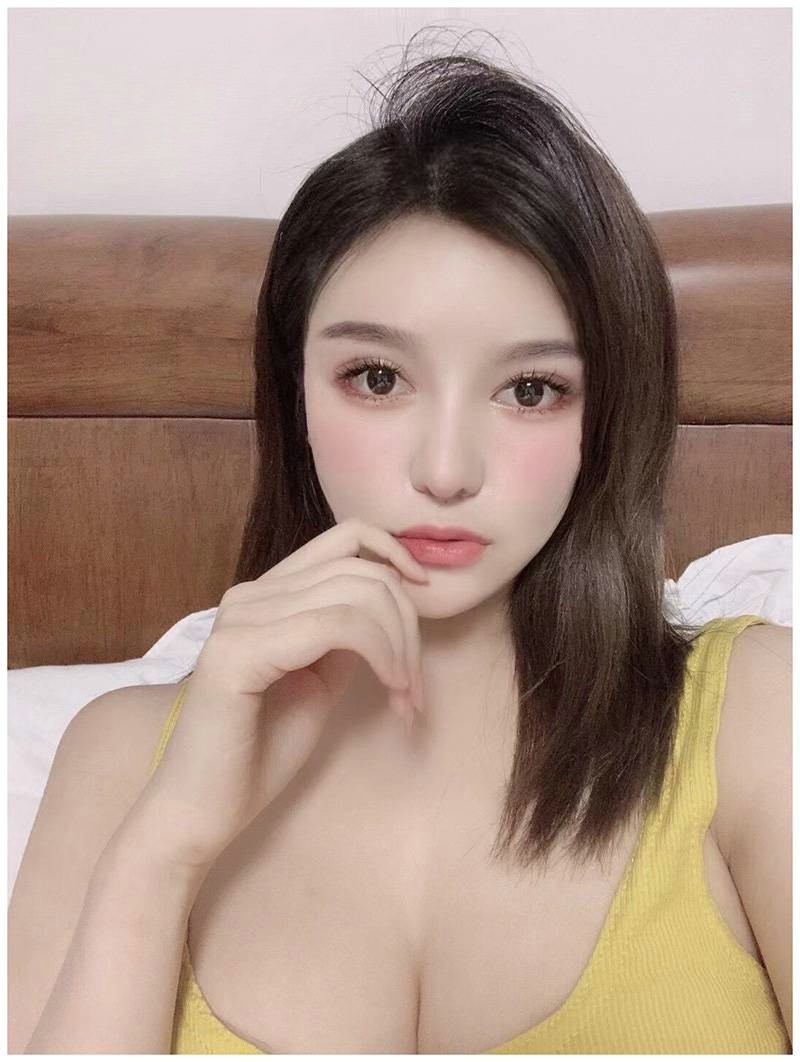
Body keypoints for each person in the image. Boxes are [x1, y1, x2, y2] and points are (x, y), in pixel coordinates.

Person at [10, 31, 792, 1054]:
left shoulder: (755, 719)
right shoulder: (119, 763)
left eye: (530, 389)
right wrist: (169, 844)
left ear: (606, 416)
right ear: (294, 389)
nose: (445, 469)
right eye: (377, 379)